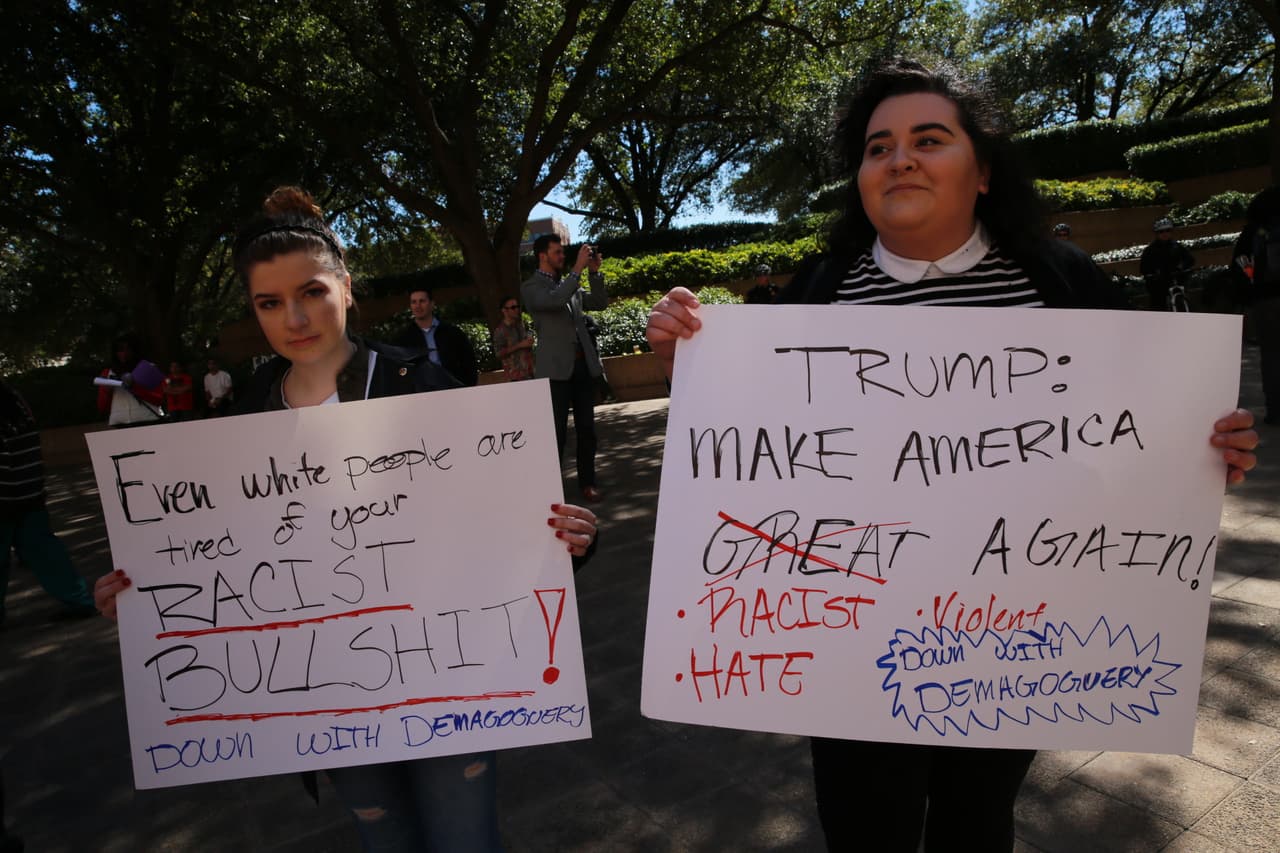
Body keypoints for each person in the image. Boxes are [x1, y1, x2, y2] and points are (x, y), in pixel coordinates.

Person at [646, 56, 1258, 853]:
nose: (899, 159)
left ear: (984, 171)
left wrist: (1205, 455)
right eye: (878, 147)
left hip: (1010, 642)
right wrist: (688, 366)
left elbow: (1142, 433)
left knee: (976, 823)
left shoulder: (1061, 283)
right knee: (865, 828)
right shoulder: (817, 296)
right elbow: (751, 449)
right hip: (851, 641)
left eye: (928, 139)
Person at [93, 186, 598, 853]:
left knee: (465, 842)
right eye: (269, 303)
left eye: (312, 292)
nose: (295, 318)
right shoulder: (240, 424)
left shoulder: (418, 385)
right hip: (329, 704)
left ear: (346, 287)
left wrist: (569, 538)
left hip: (452, 686)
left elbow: (512, 512)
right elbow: (208, 562)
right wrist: (139, 597)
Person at [521, 235, 609, 502]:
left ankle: (588, 483)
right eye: (557, 252)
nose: (562, 256)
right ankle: (550, 490)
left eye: (562, 252)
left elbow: (599, 302)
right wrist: (578, 269)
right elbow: (554, 301)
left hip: (582, 367)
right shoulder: (531, 287)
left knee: (587, 430)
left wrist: (594, 273)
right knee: (555, 434)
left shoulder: (569, 283)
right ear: (542, 255)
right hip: (555, 371)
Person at [1, 379, 95, 627]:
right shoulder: (14, 399)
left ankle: (78, 599)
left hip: (7, 496)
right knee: (45, 552)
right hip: (30, 491)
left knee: (40, 552)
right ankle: (78, 599)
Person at [1231, 186, 1280, 424]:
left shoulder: (1252, 232)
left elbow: (1238, 265)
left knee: (1271, 355)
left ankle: (1275, 409)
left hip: (1265, 302)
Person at [392, 287, 479, 386]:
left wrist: (467, 387)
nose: (418, 306)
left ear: (432, 304)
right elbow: (400, 369)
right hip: (422, 391)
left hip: (454, 388)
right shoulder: (404, 338)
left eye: (422, 301)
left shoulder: (452, 333)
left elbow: (469, 362)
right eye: (414, 302)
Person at [96, 336, 164, 428]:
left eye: (128, 349)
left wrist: (135, 386)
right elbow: (102, 407)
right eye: (120, 349)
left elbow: (159, 399)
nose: (124, 353)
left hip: (148, 419)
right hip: (120, 423)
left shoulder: (147, 368)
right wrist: (107, 391)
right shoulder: (107, 373)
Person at [1140, 218, 1195, 310]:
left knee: (1187, 297)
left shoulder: (1177, 246)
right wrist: (1154, 274)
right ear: (1157, 233)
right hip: (1160, 282)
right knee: (1158, 302)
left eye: (1168, 230)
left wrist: (1182, 267)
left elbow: (1189, 259)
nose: (1165, 234)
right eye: (1161, 231)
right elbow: (1144, 268)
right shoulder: (1150, 250)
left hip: (1177, 278)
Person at [491, 298, 535, 381]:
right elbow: (498, 353)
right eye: (513, 307)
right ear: (504, 310)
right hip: (515, 377)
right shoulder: (500, 331)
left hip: (530, 373)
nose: (516, 309)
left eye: (517, 306)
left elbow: (526, 344)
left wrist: (529, 341)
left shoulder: (521, 325)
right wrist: (519, 345)